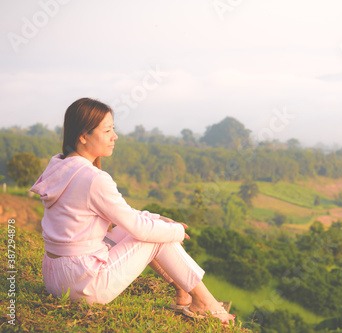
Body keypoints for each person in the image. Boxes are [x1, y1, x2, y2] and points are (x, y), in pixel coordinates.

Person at [30, 97, 234, 324]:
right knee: (154, 236)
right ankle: (206, 303)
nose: (114, 136)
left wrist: (156, 218)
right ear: (83, 136)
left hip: (56, 276)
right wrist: (175, 231)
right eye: (107, 130)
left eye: (113, 129)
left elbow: (124, 215)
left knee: (152, 226)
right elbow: (140, 230)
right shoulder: (92, 178)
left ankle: (184, 293)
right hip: (82, 285)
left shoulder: (60, 165)